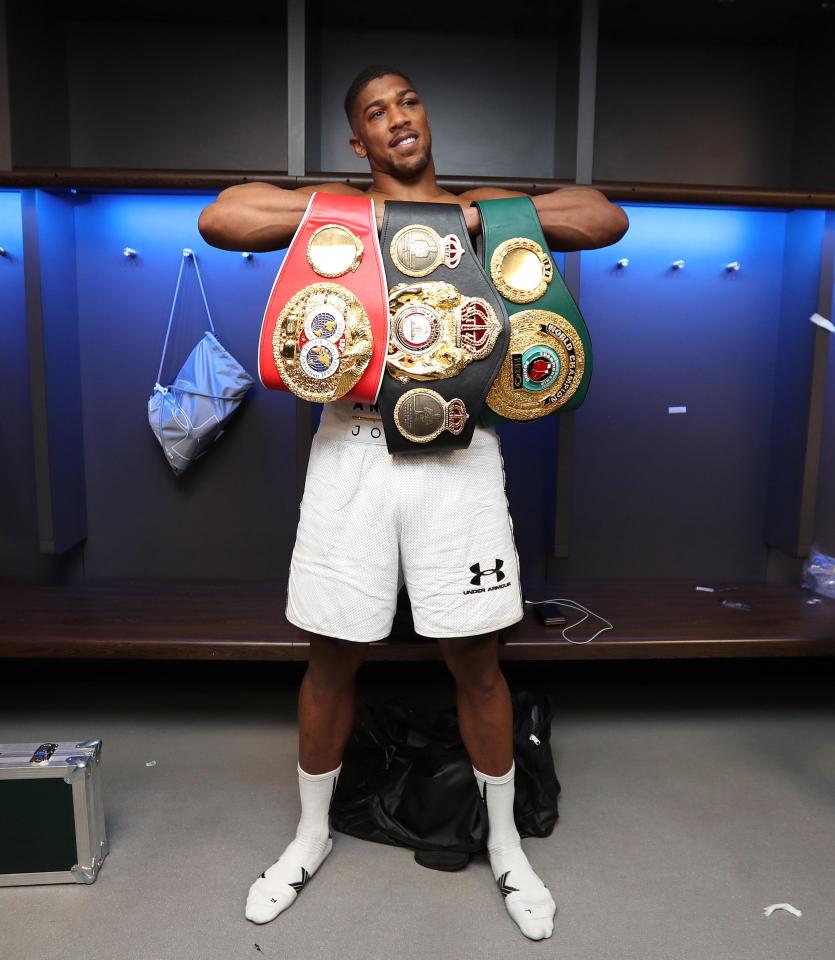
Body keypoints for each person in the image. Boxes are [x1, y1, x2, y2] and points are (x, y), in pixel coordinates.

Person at [198, 64, 628, 941]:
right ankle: (309, 837)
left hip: (460, 461)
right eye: (375, 112)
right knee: (329, 656)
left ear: (425, 117)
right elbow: (223, 217)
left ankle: (506, 845)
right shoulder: (336, 213)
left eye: (409, 101)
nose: (398, 118)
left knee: (477, 661)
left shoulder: (484, 207)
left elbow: (601, 215)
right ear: (359, 141)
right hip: (349, 453)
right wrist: (377, 217)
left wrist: (463, 219)